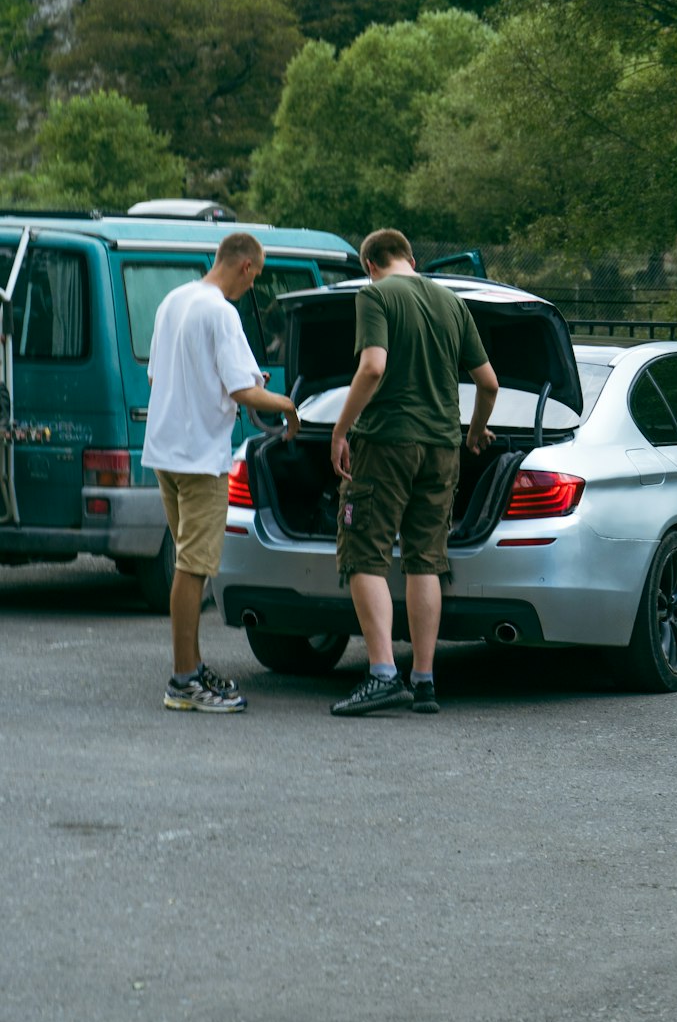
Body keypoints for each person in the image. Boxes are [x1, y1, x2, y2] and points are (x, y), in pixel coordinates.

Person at [329, 228, 498, 716]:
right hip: (443, 447)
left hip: (385, 443)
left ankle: (383, 674)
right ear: (410, 258)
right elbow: (488, 382)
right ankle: (423, 680)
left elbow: (373, 367)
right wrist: (474, 433)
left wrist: (342, 431)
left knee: (364, 554)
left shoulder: (375, 295)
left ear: (370, 264)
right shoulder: (451, 302)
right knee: (426, 559)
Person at [142, 231, 300, 713]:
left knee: (186, 567)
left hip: (165, 453)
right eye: (256, 278)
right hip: (200, 458)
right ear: (247, 267)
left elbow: (159, 373)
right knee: (194, 568)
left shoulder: (175, 299)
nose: (252, 288)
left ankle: (191, 667)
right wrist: (290, 407)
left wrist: (243, 383)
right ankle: (184, 680)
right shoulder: (222, 311)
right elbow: (245, 394)